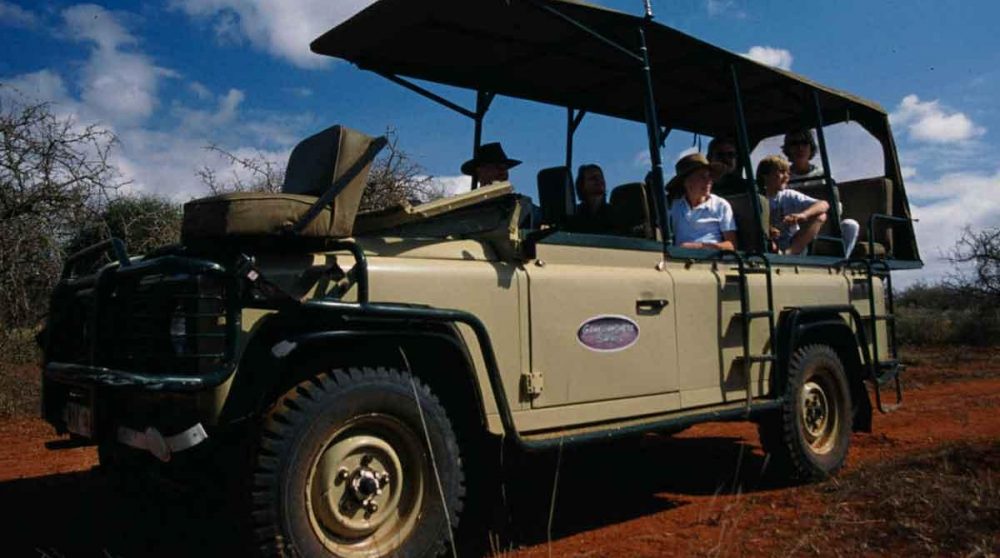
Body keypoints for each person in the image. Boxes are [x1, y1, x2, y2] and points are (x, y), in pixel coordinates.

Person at [782, 129, 860, 256]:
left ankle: (842, 262)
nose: (800, 148)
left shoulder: (823, 175)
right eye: (794, 144)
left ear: (811, 147)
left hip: (824, 224)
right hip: (797, 226)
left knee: (851, 225)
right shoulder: (784, 177)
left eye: (804, 143)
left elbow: (835, 206)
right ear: (788, 149)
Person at [757, 155, 829, 255]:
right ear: (765, 175)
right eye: (781, 172)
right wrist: (768, 229)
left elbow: (824, 204)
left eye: (788, 173)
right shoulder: (757, 198)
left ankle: (790, 253)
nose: (786, 177)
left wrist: (803, 215)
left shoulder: (788, 195)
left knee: (821, 215)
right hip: (767, 245)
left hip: (791, 243)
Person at [668, 153, 737, 250]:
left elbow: (731, 245)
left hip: (711, 262)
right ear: (687, 182)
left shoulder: (721, 205)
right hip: (678, 262)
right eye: (702, 177)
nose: (709, 180)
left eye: (710, 176)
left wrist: (699, 247)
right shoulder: (674, 207)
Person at [566, 163, 614, 234]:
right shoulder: (574, 214)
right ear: (582, 185)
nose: (599, 180)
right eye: (593, 178)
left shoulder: (615, 214)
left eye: (601, 177)